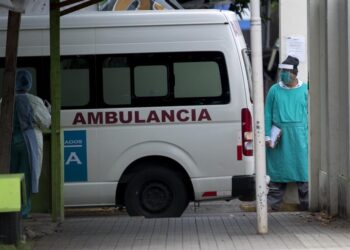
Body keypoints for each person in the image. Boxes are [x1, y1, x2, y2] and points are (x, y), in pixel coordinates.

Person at [264, 55, 308, 211]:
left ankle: (307, 205)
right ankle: (270, 206)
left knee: (303, 170)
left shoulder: (305, 89)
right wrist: (267, 135)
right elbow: (267, 113)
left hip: (300, 137)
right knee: (277, 172)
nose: (283, 74)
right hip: (279, 137)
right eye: (282, 71)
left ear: (295, 73)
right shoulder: (274, 90)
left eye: (286, 71)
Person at [10, 69, 51, 218]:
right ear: (29, 83)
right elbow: (46, 122)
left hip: (9, 142)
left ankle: (11, 210)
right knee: (26, 176)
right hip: (29, 140)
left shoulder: (5, 100)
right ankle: (24, 211)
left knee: (11, 175)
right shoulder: (34, 100)